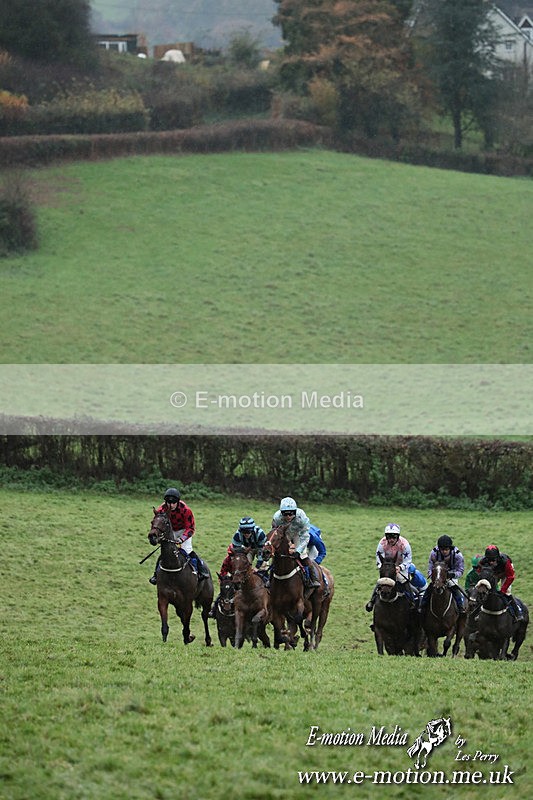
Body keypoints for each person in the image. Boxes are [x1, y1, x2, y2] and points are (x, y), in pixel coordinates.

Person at [208, 517, 267, 617]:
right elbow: (238, 555)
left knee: (263, 567)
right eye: (244, 531)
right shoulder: (237, 536)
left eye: (248, 531)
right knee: (243, 567)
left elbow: (262, 553)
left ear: (252, 530)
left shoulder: (260, 534)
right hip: (246, 550)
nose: (246, 534)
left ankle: (268, 587)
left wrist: (257, 567)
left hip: (260, 549)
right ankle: (216, 607)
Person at [148, 487, 209, 584]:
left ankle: (200, 570)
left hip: (183, 530)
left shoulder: (186, 510)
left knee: (187, 550)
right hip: (170, 530)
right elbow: (157, 523)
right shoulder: (161, 509)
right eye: (169, 502)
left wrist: (182, 539)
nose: (171, 505)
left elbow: (191, 528)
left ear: (177, 502)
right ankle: (156, 575)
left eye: (173, 503)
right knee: (165, 552)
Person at [272, 496, 321, 590]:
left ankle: (313, 578)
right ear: (281, 513)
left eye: (291, 514)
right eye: (285, 514)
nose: (288, 517)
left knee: (303, 555)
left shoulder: (301, 517)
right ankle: (270, 578)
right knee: (277, 554)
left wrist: (298, 551)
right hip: (284, 534)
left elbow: (305, 536)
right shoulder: (277, 518)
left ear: (295, 512)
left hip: (298, 534)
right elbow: (275, 533)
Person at [365, 523, 412, 611]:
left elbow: (408, 560)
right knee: (382, 581)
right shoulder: (382, 543)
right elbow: (379, 558)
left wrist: (400, 568)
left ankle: (411, 601)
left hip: (401, 565)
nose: (391, 540)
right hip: (387, 566)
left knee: (403, 580)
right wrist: (383, 568)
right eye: (389, 537)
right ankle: (372, 601)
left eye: (394, 537)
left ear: (398, 537)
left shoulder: (405, 545)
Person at [479, 544, 525, 621]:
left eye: (493, 560)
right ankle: (479, 611)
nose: (491, 562)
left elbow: (510, 577)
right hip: (494, 573)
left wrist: (503, 590)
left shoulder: (505, 561)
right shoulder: (483, 560)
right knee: (486, 591)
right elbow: (480, 570)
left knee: (507, 592)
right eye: (489, 560)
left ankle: (517, 612)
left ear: (497, 558)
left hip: (506, 574)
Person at [424, 534, 466, 614]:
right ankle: (422, 605)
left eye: (446, 549)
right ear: (439, 548)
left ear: (450, 548)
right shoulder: (434, 553)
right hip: (438, 575)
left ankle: (460, 607)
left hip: (451, 575)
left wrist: (452, 575)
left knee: (455, 589)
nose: (444, 551)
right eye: (442, 549)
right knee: (429, 589)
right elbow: (430, 568)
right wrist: (433, 576)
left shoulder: (458, 555)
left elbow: (460, 570)